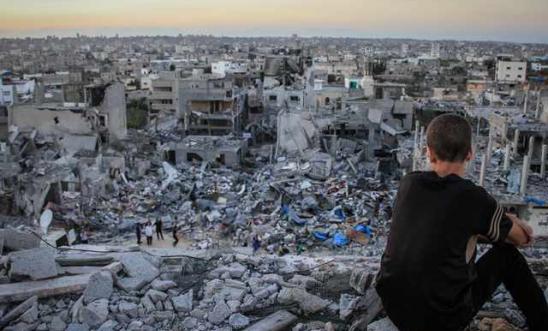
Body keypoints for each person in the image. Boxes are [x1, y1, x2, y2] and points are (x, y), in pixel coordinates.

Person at [376, 114, 548, 331]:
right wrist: (508, 220)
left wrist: (483, 228)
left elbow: (448, 227)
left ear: (428, 152)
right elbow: (522, 239)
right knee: (507, 256)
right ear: (470, 154)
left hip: (394, 307)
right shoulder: (474, 198)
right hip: (441, 321)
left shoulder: (409, 184)